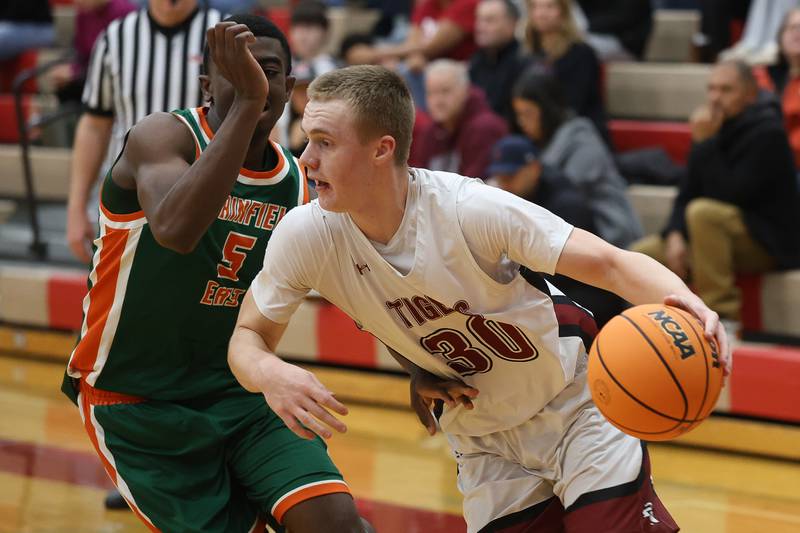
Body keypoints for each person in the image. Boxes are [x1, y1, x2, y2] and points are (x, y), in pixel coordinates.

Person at [228, 64, 732, 533]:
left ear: (382, 149)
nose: (306, 159)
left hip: (575, 404)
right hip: (484, 439)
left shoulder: (469, 209)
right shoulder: (306, 236)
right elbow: (246, 338)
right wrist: (271, 373)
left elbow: (609, 264)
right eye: (306, 139)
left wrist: (689, 303)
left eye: (324, 142)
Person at [61, 15, 372, 533]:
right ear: (208, 84)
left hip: (238, 393)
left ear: (289, 87)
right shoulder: (162, 136)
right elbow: (176, 229)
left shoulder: (297, 183)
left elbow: (361, 281)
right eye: (238, 70)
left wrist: (417, 364)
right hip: (137, 400)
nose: (255, 81)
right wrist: (248, 104)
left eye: (267, 71)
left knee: (338, 523)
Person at [631, 60, 800, 328]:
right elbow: (687, 191)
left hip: (767, 243)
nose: (715, 97)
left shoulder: (769, 133)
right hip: (715, 234)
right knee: (640, 256)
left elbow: (732, 193)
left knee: (703, 214)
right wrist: (675, 234)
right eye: (711, 89)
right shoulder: (715, 127)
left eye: (726, 90)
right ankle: (647, 327)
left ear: (750, 94)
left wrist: (705, 143)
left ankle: (723, 319)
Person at [66, 0, 224, 265]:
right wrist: (76, 206)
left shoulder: (225, 34)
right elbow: (95, 125)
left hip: (206, 203)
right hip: (127, 202)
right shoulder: (114, 37)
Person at [487, 135, 628, 328]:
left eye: (510, 177)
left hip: (585, 290)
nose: (504, 185)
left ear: (534, 169)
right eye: (499, 178)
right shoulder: (508, 198)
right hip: (545, 285)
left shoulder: (566, 204)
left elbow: (560, 271)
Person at [512, 71, 643, 248]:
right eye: (519, 115)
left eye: (528, 113)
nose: (522, 122)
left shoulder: (582, 138)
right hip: (572, 233)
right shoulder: (541, 144)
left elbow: (563, 192)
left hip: (610, 232)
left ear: (547, 109)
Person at [524, 0, 607, 140]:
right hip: (534, 131)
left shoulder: (581, 53)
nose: (541, 13)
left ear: (564, 12)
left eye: (549, 6)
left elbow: (574, 105)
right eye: (535, 7)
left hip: (577, 134)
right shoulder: (526, 54)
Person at [409, 59, 507, 177]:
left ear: (466, 91)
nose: (438, 101)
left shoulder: (485, 128)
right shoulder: (430, 132)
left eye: (445, 91)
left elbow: (475, 183)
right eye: (431, 93)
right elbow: (418, 179)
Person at [49, 0, 137, 105]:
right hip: (89, 75)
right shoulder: (83, 13)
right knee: (64, 87)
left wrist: (76, 74)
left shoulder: (123, 11)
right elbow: (80, 52)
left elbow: (123, 59)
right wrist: (72, 70)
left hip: (115, 76)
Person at [468, 0, 529, 125]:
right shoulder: (477, 60)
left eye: (489, 20)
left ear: (511, 24)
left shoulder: (524, 62)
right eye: (479, 20)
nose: (480, 27)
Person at [755, 7, 800, 168]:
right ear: (781, 36)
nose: (797, 33)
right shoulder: (760, 75)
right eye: (792, 27)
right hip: (761, 160)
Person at [573, 0, 653, 61]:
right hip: (593, 34)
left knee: (577, 49)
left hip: (625, 42)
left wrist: (584, 27)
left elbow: (623, 17)